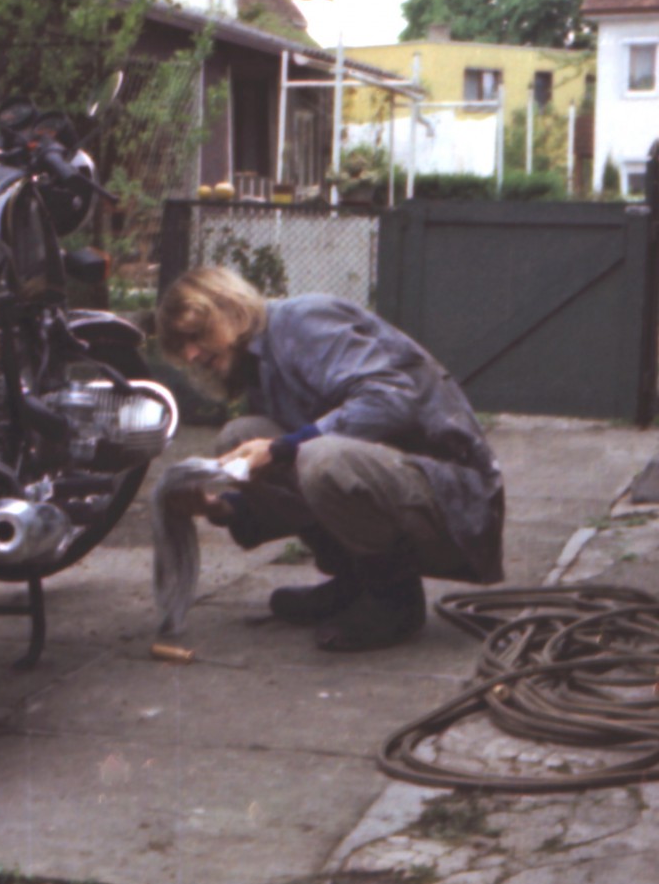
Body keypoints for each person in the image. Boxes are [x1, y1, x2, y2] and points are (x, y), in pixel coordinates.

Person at [156, 267, 504, 651]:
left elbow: (391, 399)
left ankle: (394, 601)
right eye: (181, 347)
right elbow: (287, 485)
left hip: (455, 499)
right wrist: (217, 507)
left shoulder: (303, 320)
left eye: (194, 335)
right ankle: (355, 583)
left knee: (319, 455)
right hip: (397, 484)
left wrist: (283, 448)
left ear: (228, 308)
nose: (191, 354)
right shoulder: (258, 360)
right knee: (242, 437)